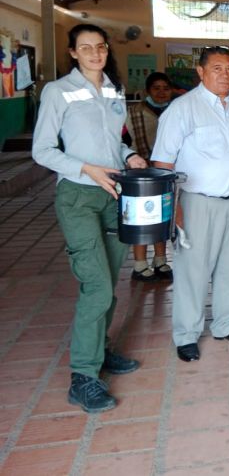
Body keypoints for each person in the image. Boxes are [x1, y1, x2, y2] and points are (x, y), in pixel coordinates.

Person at [32, 24, 147, 413]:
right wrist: (87, 169)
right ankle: (82, 377)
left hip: (113, 194)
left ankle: (99, 349)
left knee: (109, 282)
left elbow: (113, 141)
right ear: (73, 53)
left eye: (100, 47)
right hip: (78, 196)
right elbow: (42, 150)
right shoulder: (58, 91)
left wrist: (129, 154)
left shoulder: (114, 90)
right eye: (86, 48)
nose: (95, 53)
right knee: (96, 286)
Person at [152, 46, 229, 362]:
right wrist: (173, 208)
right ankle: (186, 334)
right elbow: (162, 163)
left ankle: (227, 324)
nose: (225, 75)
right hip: (196, 202)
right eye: (217, 68)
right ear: (200, 72)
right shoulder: (182, 109)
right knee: (193, 270)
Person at [125, 72, 174, 281]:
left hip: (165, 173)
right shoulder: (134, 112)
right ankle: (140, 264)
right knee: (141, 218)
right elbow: (124, 142)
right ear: (147, 91)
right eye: (156, 88)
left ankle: (161, 260)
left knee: (162, 215)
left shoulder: (175, 110)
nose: (161, 92)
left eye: (166, 88)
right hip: (140, 174)